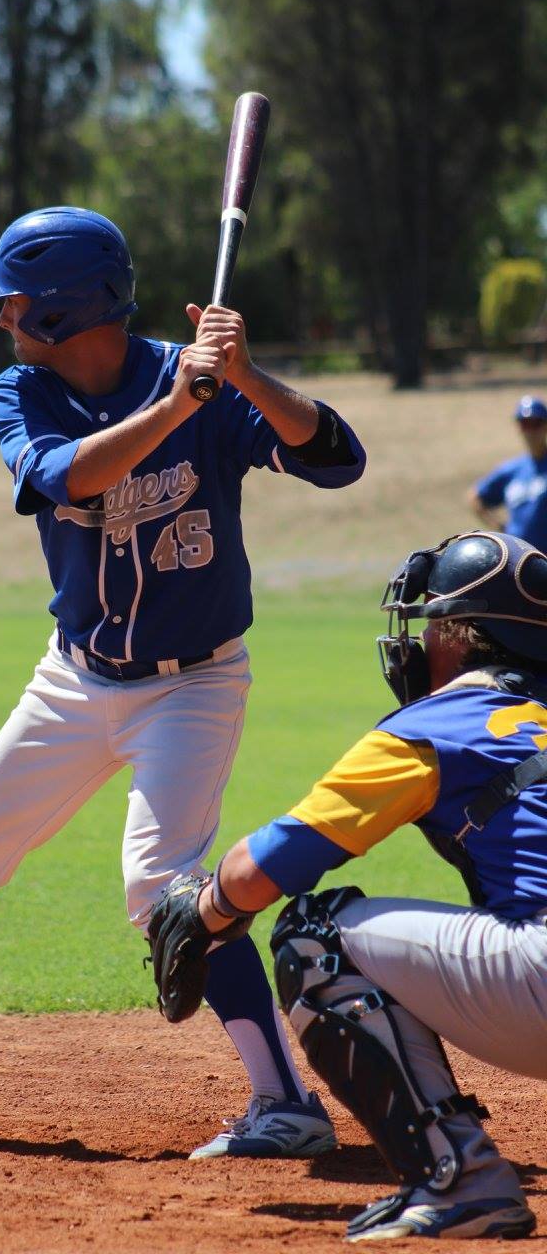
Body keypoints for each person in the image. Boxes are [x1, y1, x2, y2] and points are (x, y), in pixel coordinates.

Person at [0, 206, 366, 1158]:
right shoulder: (23, 393)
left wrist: (245, 376)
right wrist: (182, 403)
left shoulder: (206, 381)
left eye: (15, 305)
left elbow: (338, 459)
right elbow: (69, 481)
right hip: (76, 677)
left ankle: (285, 1104)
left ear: (62, 309)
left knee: (164, 889)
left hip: (193, 686)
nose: (3, 322)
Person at [150, 529, 546, 1239]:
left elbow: (257, 872)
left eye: (430, 626)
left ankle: (461, 1181)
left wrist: (204, 911)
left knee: (315, 935)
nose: (419, 645)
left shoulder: (443, 724)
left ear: (463, 636)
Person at [469, 394, 547, 551]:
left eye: (536, 424)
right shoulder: (512, 470)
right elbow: (475, 498)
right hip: (519, 557)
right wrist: (501, 529)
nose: (531, 431)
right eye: (525, 424)